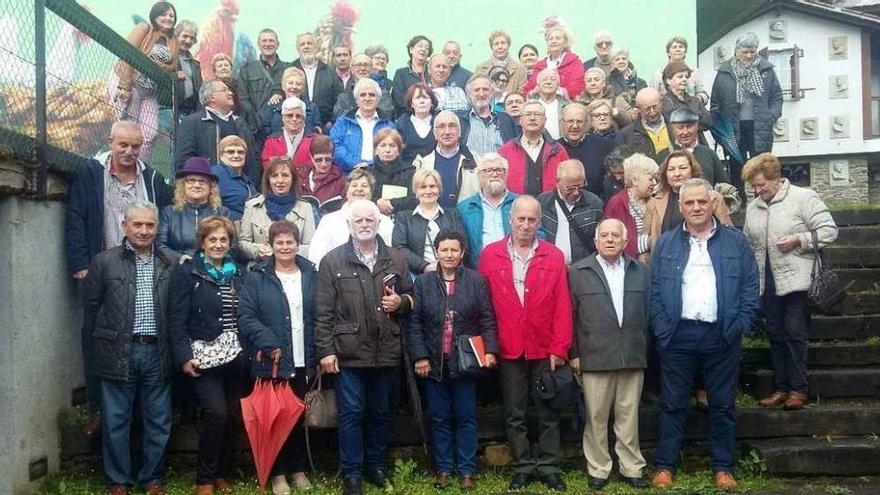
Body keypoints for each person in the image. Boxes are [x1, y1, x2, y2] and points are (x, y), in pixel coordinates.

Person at [650, 178, 759, 491]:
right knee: (672, 403)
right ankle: (665, 466)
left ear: (713, 203)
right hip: (678, 335)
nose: (696, 208)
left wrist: (739, 324)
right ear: (681, 207)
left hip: (721, 335)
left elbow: (751, 287)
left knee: (722, 404)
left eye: (702, 202)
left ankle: (723, 468)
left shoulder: (735, 242)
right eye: (689, 203)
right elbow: (655, 289)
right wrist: (661, 325)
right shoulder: (667, 242)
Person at [65, 121, 172, 438]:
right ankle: (99, 409)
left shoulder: (151, 177)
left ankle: (141, 414)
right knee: (98, 336)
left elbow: (165, 215)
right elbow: (76, 217)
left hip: (144, 264)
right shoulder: (90, 173)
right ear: (110, 141)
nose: (128, 151)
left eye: (135, 146)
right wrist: (81, 263)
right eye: (122, 145)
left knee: (146, 337)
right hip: (104, 268)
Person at [314, 199, 415, 495]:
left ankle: (376, 466)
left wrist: (401, 302)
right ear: (348, 224)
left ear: (379, 222)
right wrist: (326, 351)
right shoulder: (332, 261)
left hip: (386, 350)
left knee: (381, 412)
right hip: (348, 352)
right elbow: (322, 312)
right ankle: (352, 473)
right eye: (358, 220)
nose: (364, 224)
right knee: (352, 413)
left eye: (369, 219)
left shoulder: (396, 259)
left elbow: (411, 297)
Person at [478, 195, 572, 492]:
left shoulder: (554, 255)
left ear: (540, 222)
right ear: (511, 219)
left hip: (544, 346)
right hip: (507, 347)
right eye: (521, 218)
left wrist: (560, 347)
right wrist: (489, 347)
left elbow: (563, 306)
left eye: (532, 219)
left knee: (548, 410)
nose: (526, 225)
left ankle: (548, 466)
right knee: (515, 412)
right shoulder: (490, 255)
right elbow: (483, 307)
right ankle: (521, 466)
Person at [82, 201, 174, 495]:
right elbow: (92, 310)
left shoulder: (169, 261)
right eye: (137, 224)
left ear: (157, 228)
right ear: (125, 226)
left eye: (150, 225)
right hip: (118, 350)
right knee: (116, 420)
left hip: (157, 351)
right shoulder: (104, 262)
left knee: (158, 419)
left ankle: (152, 478)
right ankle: (118, 481)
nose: (144, 231)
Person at [742, 153, 838, 411]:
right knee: (775, 334)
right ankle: (781, 388)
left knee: (794, 333)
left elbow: (829, 230)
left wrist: (799, 240)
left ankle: (798, 389)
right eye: (754, 186)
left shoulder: (803, 197)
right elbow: (749, 243)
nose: (757, 190)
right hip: (768, 282)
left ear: (776, 179)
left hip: (798, 281)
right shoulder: (754, 207)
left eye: (761, 184)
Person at [408, 230, 499, 491]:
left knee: (466, 415)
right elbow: (415, 324)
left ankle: (467, 469)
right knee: (438, 416)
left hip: (465, 362)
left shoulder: (476, 281)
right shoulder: (423, 284)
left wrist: (490, 350)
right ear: (436, 251)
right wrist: (421, 356)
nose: (449, 254)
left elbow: (487, 319)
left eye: (454, 250)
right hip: (434, 363)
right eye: (444, 249)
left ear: (462, 253)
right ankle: (444, 467)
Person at [569, 218, 651, 490]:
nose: (609, 239)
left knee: (629, 414)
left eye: (616, 235)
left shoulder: (641, 271)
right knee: (596, 416)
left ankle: (631, 467)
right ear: (595, 241)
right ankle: (599, 468)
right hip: (594, 355)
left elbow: (651, 314)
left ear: (626, 241)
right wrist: (575, 353)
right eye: (604, 235)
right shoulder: (578, 272)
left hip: (631, 352)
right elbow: (570, 316)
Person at [238, 220, 317, 495]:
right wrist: (268, 341)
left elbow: (318, 315)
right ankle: (278, 473)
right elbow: (246, 316)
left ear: (297, 244)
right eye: (279, 242)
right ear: (271, 246)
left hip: (302, 358)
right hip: (271, 360)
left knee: (296, 417)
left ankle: (298, 468)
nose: (285, 247)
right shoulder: (257, 276)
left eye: (290, 242)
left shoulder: (310, 273)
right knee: (275, 419)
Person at [168, 216, 245, 495]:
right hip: (203, 354)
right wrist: (183, 356)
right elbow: (176, 318)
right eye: (212, 239)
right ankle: (205, 479)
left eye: (223, 239)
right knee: (216, 412)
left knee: (232, 414)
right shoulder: (188, 272)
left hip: (235, 355)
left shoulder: (238, 272)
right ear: (202, 242)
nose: (218, 244)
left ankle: (222, 473)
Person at [710, 32, 783, 198]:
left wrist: (771, 116)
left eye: (753, 51)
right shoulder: (724, 73)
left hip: (760, 126)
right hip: (733, 127)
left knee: (761, 165)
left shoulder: (766, 70)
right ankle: (739, 199)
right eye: (745, 52)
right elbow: (715, 103)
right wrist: (720, 128)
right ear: (736, 51)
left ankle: (762, 197)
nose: (749, 55)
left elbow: (777, 97)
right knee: (736, 164)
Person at [110, 1, 178, 160]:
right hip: (131, 83)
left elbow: (172, 67)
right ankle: (117, 165)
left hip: (150, 92)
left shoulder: (173, 40)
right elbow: (126, 54)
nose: (168, 18)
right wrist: (125, 86)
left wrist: (160, 65)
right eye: (164, 14)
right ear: (155, 16)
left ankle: (137, 168)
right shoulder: (144, 28)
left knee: (150, 132)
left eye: (171, 15)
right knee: (129, 129)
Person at [645, 150, 733, 255]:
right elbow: (645, 237)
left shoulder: (713, 198)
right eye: (671, 169)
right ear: (665, 174)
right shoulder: (654, 202)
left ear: (692, 171)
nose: (677, 174)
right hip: (666, 260)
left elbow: (729, 234)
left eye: (683, 168)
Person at [176, 79, 261, 183]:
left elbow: (253, 158)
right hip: (208, 189)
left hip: (240, 189)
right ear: (212, 97)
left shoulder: (241, 123)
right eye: (224, 90)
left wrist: (251, 184)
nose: (230, 93)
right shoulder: (191, 123)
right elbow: (184, 160)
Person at [307, 168, 394, 267]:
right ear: (347, 192)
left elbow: (392, 254)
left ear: (371, 193)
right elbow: (316, 255)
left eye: (364, 186)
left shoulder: (385, 222)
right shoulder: (328, 221)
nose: (359, 189)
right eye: (354, 185)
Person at [239, 157, 316, 261]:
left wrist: (285, 250)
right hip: (261, 267)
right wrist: (258, 250)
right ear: (268, 179)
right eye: (275, 176)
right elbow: (243, 242)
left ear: (293, 179)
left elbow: (311, 245)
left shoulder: (306, 208)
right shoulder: (252, 206)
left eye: (285, 175)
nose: (280, 181)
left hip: (295, 266)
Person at [392, 169, 467, 275]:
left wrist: (447, 266)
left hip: (452, 274)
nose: (428, 191)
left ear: (439, 189)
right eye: (423, 187)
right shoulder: (403, 218)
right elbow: (399, 248)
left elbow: (463, 244)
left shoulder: (453, 215)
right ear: (416, 192)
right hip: (416, 275)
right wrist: (424, 266)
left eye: (432, 186)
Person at [158, 157, 229, 263]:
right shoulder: (169, 213)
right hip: (178, 267)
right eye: (191, 180)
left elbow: (232, 246)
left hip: (213, 268)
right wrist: (180, 258)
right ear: (183, 185)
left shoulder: (222, 213)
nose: (196, 185)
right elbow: (160, 245)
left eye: (202, 181)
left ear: (211, 187)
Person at [537, 159, 604, 265]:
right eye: (570, 188)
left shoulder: (594, 204)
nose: (576, 192)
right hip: (550, 266)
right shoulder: (542, 202)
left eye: (580, 186)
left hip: (583, 269)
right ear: (557, 182)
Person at [457, 153, 519, 267]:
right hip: (479, 271)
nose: (494, 174)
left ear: (506, 174)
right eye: (489, 170)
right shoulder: (464, 208)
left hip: (515, 268)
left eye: (499, 170)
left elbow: (537, 235)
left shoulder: (521, 203)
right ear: (479, 175)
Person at [498, 100, 570, 195]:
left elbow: (567, 181)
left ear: (544, 120)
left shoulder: (558, 150)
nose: (532, 118)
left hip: (550, 208)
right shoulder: (506, 150)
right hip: (517, 207)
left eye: (537, 114)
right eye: (528, 114)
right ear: (521, 120)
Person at [412, 111, 480, 207]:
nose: (447, 132)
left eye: (452, 126)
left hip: (465, 218)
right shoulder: (420, 162)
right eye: (441, 126)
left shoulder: (476, 161)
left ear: (459, 132)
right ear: (434, 133)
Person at [329, 78, 396, 172]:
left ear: (378, 100)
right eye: (363, 95)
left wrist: (370, 166)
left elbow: (393, 149)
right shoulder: (343, 122)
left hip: (379, 174)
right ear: (356, 100)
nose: (367, 98)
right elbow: (334, 145)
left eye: (372, 95)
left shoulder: (388, 125)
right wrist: (355, 164)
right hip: (349, 175)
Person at [656, 108, 730, 186]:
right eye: (680, 127)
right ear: (673, 129)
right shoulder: (663, 156)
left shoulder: (709, 154)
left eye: (689, 127)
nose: (685, 132)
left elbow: (724, 185)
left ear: (697, 127)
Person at [603, 153, 658, 260]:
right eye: (651, 179)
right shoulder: (617, 203)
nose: (655, 183)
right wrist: (647, 242)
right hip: (629, 266)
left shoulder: (658, 199)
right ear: (635, 181)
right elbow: (612, 241)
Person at [559, 102, 616, 198]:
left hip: (596, 206)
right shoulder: (554, 148)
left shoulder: (605, 146)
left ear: (586, 124)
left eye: (579, 121)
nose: (575, 126)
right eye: (570, 121)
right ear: (562, 123)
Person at [236, 28, 289, 130]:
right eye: (264, 41)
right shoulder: (247, 69)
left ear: (278, 44)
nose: (268, 44)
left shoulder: (287, 69)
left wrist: (280, 93)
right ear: (258, 44)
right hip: (255, 128)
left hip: (281, 127)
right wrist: (256, 119)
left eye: (271, 41)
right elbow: (243, 99)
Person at [460, 74, 518, 158]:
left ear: (492, 93)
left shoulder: (506, 120)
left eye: (485, 89)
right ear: (469, 94)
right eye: (476, 90)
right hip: (470, 170)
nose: (481, 93)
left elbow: (515, 151)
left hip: (500, 170)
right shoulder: (460, 121)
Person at [291, 32, 343, 126]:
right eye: (302, 44)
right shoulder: (291, 69)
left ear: (316, 46)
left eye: (309, 43)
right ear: (298, 49)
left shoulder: (329, 71)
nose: (306, 46)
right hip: (295, 124)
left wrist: (332, 121)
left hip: (324, 126)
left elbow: (339, 99)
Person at [258, 67, 323, 143]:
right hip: (277, 149)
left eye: (298, 84)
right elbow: (264, 133)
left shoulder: (312, 107)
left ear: (303, 88)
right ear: (283, 86)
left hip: (305, 149)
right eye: (290, 83)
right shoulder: (273, 107)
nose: (294, 87)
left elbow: (317, 132)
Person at [522, 27, 585, 100]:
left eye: (557, 38)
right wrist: (533, 92)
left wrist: (554, 91)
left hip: (565, 104)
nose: (553, 41)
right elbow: (528, 88)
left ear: (565, 43)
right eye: (550, 39)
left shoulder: (575, 62)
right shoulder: (539, 65)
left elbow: (576, 87)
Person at [333, 53, 395, 120]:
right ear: (352, 70)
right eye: (358, 65)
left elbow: (384, 114)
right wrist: (368, 112)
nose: (362, 68)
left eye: (366, 65)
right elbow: (339, 115)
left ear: (372, 69)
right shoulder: (344, 96)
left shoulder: (382, 93)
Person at [649, 36, 709, 104]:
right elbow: (651, 97)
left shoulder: (694, 72)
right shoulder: (659, 74)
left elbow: (704, 95)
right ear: (668, 53)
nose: (678, 49)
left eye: (681, 47)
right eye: (674, 47)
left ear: (685, 51)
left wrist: (696, 101)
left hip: (691, 111)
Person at [211, 135, 258, 222]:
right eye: (230, 152)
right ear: (221, 155)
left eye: (240, 152)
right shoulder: (215, 173)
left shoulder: (246, 179)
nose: (236, 156)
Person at [371, 129, 418, 215]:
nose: (387, 150)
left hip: (402, 220)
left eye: (392, 146)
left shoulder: (410, 172)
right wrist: (376, 203)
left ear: (398, 151)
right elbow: (360, 198)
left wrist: (391, 204)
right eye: (383, 145)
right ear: (376, 150)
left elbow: (414, 199)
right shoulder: (367, 172)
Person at [261, 96, 315, 168]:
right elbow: (267, 165)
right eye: (289, 115)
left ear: (304, 118)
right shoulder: (271, 141)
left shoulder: (314, 141)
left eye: (298, 116)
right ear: (283, 118)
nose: (294, 119)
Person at [620, 88, 671, 160]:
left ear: (661, 103)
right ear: (639, 109)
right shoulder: (627, 134)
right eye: (647, 109)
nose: (652, 112)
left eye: (655, 107)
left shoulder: (674, 125)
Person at [395, 83, 438, 164]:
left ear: (432, 102)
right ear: (411, 103)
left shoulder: (440, 121)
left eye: (425, 98)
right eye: (417, 98)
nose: (422, 101)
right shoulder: (401, 124)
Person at [298, 135, 346, 207]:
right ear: (311, 157)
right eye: (318, 160)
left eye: (328, 159)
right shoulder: (301, 177)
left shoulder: (341, 180)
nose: (324, 164)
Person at [392, 35, 433, 115]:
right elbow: (399, 98)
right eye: (420, 46)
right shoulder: (401, 73)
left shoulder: (432, 72)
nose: (423, 49)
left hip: (430, 115)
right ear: (411, 49)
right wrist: (416, 109)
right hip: (407, 116)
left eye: (426, 48)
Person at [210, 54, 251, 126]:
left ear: (231, 69)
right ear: (215, 72)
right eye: (220, 66)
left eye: (226, 65)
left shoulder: (241, 85)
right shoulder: (210, 88)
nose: (224, 68)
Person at [530, 68, 568, 140]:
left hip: (562, 146)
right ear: (538, 84)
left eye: (553, 79)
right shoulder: (529, 105)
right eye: (544, 79)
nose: (548, 82)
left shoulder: (567, 106)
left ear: (558, 84)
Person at [175, 20, 202, 117]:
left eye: (192, 38)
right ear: (176, 36)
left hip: (190, 112)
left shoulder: (195, 65)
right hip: (170, 108)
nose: (188, 41)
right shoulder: (168, 58)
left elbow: (199, 91)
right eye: (185, 36)